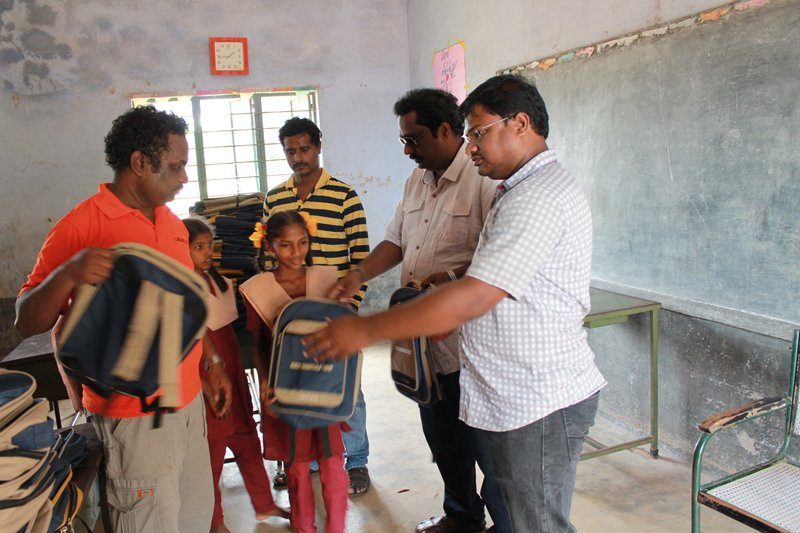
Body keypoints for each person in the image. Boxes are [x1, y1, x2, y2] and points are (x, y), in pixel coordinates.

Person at [303, 74, 607, 532]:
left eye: (479, 134)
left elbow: (479, 290)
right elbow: (456, 270)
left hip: (540, 397)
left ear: (520, 123)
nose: (472, 148)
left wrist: (365, 329)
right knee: (496, 486)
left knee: (533, 520)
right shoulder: (515, 190)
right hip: (507, 383)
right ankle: (463, 517)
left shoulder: (536, 198)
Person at [15, 106, 233, 532]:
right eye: (176, 167)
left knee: (191, 516)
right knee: (150, 521)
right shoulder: (82, 225)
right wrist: (70, 273)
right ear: (139, 163)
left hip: (187, 404)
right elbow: (26, 321)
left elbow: (181, 307)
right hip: (133, 417)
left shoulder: (171, 223)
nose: (184, 177)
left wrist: (212, 363)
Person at [329, 88, 510, 533]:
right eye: (403, 141)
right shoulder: (417, 180)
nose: (408, 150)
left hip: (472, 346)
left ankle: (508, 525)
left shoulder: (483, 180)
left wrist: (448, 279)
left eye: (415, 139)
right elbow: (395, 240)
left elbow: (500, 256)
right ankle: (462, 517)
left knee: (490, 451)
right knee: (443, 438)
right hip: (427, 348)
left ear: (446, 130)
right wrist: (358, 275)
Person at [263, 117, 372, 495]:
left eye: (304, 149)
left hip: (335, 312)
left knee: (346, 388)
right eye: (290, 151)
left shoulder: (344, 196)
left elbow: (361, 256)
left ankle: (356, 461)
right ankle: (305, 459)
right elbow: (267, 255)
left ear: (319, 146)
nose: (298, 158)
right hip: (291, 315)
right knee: (298, 382)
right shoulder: (275, 198)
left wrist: (349, 308)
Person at [240, 210, 349, 533]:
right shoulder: (257, 288)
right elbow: (258, 343)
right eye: (286, 245)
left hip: (325, 385)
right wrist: (264, 384)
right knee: (297, 465)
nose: (296, 252)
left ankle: (336, 528)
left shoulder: (325, 279)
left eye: (302, 242)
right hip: (285, 387)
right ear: (270, 247)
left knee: (332, 462)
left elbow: (342, 330)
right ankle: (304, 526)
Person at [183, 217, 289, 533]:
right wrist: (207, 384)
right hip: (210, 379)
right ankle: (215, 520)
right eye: (198, 247)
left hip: (234, 373)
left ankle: (264, 503)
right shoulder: (181, 289)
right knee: (213, 456)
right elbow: (190, 344)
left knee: (247, 443)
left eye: (208, 246)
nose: (206, 253)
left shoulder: (220, 283)